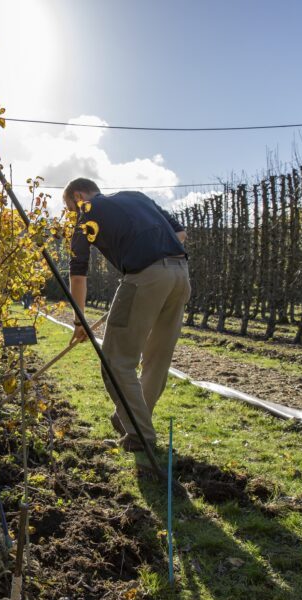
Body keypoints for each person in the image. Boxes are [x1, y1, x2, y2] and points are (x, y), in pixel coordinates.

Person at [64, 178, 190, 479]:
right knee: (158, 359)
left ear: (79, 195)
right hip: (181, 276)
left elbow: (78, 274)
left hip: (143, 277)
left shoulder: (88, 212)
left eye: (70, 208)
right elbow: (181, 234)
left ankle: (140, 436)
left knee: (116, 361)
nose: (73, 215)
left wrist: (80, 319)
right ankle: (131, 419)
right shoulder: (137, 197)